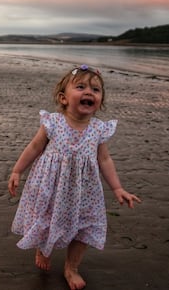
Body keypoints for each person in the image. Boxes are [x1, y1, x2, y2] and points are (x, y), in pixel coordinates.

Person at [8, 64, 141, 289]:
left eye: (96, 90)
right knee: (46, 219)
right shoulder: (53, 122)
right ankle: (43, 248)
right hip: (51, 185)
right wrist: (17, 170)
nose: (89, 92)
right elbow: (34, 147)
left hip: (84, 191)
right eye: (80, 87)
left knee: (85, 227)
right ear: (63, 98)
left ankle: (72, 268)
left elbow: (105, 160)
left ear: (99, 100)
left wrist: (118, 188)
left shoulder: (98, 129)